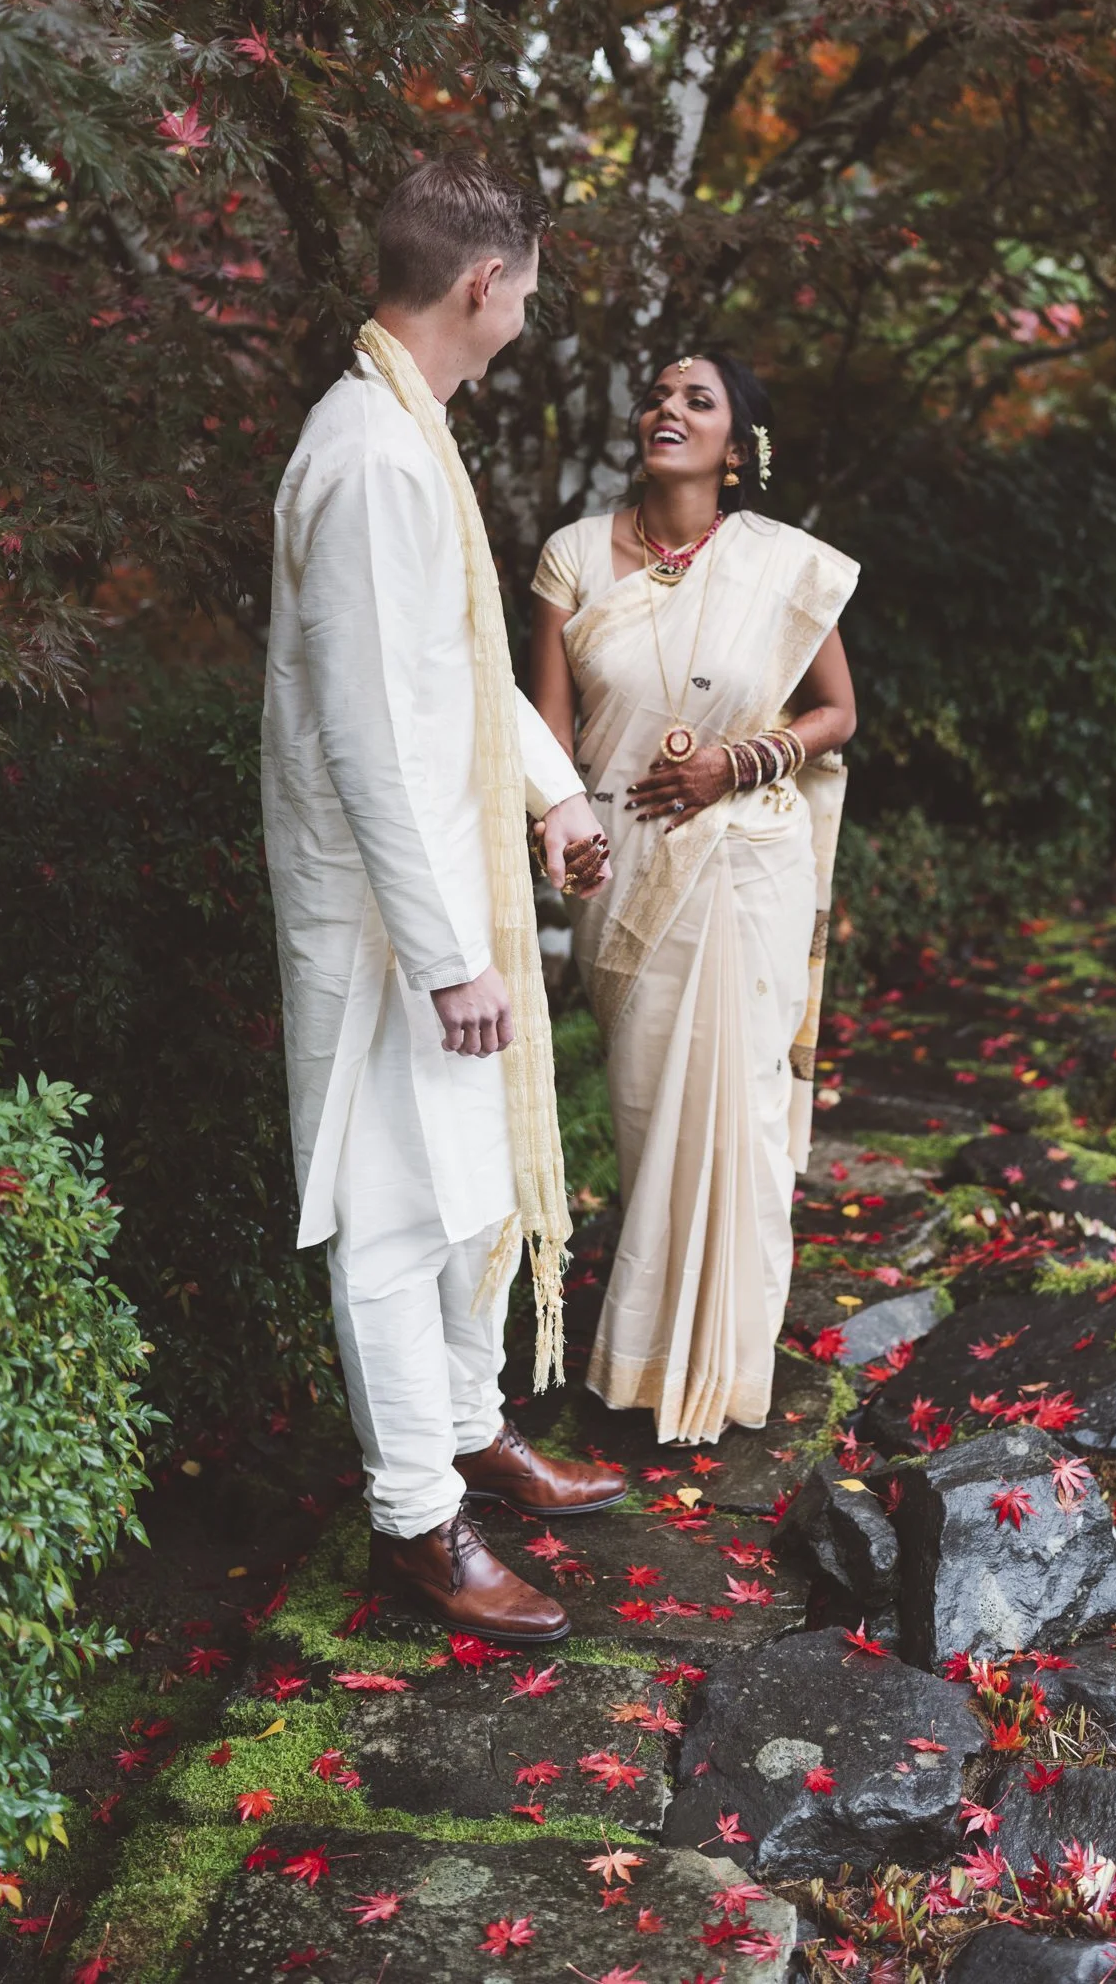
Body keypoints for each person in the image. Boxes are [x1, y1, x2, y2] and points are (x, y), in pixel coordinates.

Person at [261, 156, 625, 1643]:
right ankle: (418, 1514)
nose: (528, 315)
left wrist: (555, 789)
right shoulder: (367, 454)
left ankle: (473, 1425)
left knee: (472, 1191)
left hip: (447, 895)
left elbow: (461, 678)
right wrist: (445, 955)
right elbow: (362, 727)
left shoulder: (412, 435)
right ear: (484, 284)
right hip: (388, 917)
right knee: (397, 1216)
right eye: (528, 290)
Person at [529, 351, 858, 1446]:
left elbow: (837, 713)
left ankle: (719, 1371)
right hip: (622, 872)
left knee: (743, 1122)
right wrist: (556, 821)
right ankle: (638, 1359)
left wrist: (741, 763)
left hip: (746, 865)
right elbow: (546, 737)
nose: (667, 408)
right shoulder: (576, 556)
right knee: (644, 1118)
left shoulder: (782, 565)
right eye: (659, 393)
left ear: (738, 445)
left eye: (697, 400)